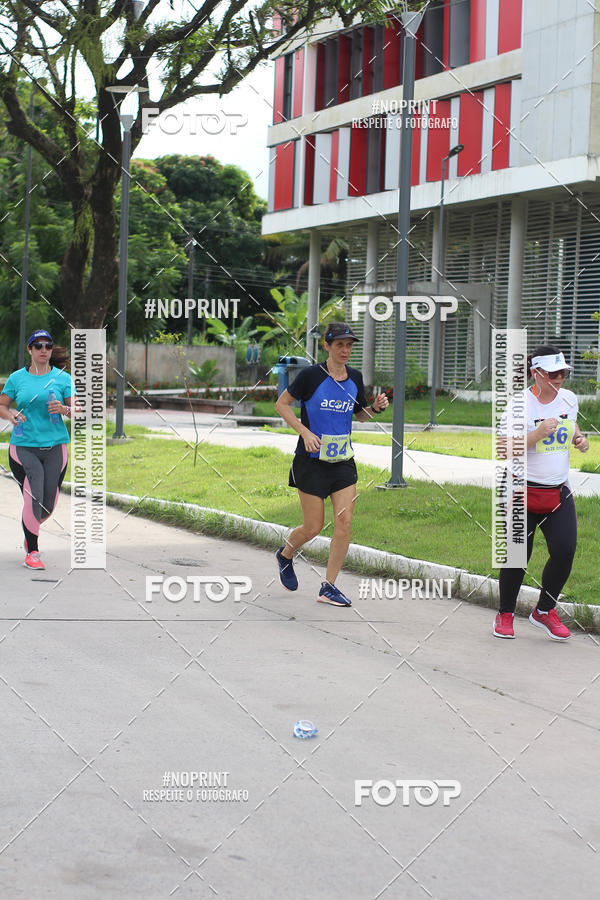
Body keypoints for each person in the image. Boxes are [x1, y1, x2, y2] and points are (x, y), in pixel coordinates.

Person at [274, 322, 389, 606]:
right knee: (313, 527)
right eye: (339, 344)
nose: (345, 350)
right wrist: (305, 432)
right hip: (310, 462)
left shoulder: (355, 377)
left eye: (349, 345)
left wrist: (374, 408)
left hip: (342, 461)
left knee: (345, 523)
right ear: (326, 346)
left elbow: (358, 415)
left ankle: (329, 586)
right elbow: (282, 404)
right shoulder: (311, 376)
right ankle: (285, 554)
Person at [494, 344, 589, 640]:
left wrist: (579, 438)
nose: (559, 379)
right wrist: (536, 435)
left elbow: (569, 426)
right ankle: (505, 614)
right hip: (521, 490)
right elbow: (502, 448)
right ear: (536, 373)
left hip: (558, 491)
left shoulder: (569, 399)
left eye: (563, 372)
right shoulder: (519, 404)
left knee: (565, 551)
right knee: (517, 556)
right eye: (552, 373)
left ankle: (544, 610)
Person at [0, 330, 74, 570]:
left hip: (56, 447)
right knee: (34, 497)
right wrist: (11, 414)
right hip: (23, 448)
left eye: (48, 346)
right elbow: (2, 405)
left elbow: (78, 410)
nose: (44, 350)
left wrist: (64, 409)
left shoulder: (63, 379)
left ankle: (28, 529)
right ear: (30, 350)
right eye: (38, 346)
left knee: (48, 505)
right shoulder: (17, 378)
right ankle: (33, 551)